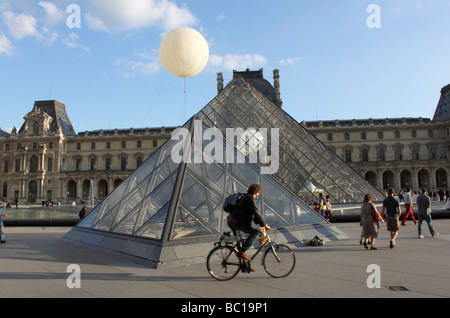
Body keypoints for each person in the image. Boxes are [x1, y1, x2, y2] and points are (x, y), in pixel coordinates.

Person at [227, 184, 271, 264]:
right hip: (236, 222)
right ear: (256, 192)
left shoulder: (246, 197)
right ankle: (242, 252)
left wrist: (260, 224)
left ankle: (244, 266)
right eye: (259, 192)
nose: (259, 194)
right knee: (255, 232)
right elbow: (256, 212)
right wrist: (264, 225)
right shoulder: (250, 198)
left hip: (232, 220)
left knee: (240, 242)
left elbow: (252, 213)